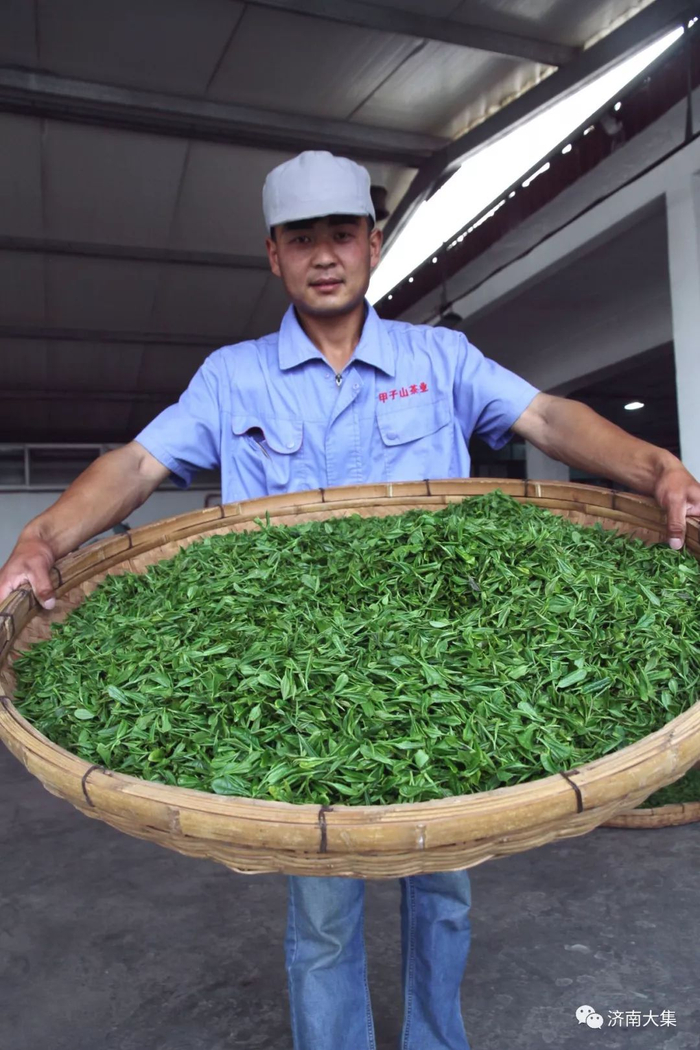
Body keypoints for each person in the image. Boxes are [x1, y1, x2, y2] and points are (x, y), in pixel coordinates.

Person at [1, 150, 699, 1050]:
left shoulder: (437, 356)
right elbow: (137, 465)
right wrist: (43, 536)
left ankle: (435, 1040)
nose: (324, 255)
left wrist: (655, 467)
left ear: (372, 245)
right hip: (294, 675)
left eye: (342, 234)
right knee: (324, 912)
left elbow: (546, 418)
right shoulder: (233, 376)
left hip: (450, 664)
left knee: (445, 889)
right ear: (274, 255)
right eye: (302, 240)